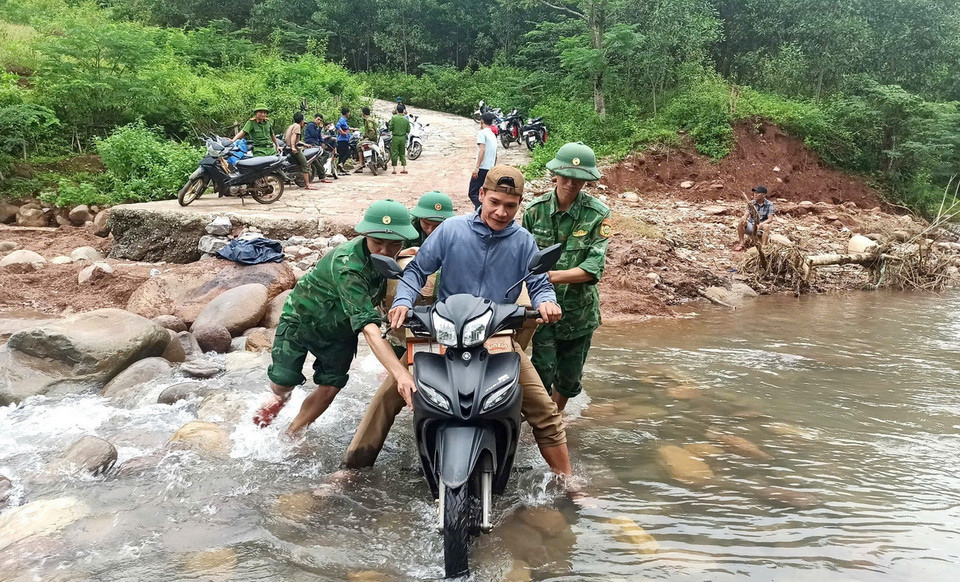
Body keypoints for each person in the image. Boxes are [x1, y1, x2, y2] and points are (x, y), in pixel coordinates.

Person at [342, 166, 573, 476]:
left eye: (510, 205)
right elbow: (417, 271)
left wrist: (547, 301)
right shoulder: (451, 229)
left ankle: (568, 482)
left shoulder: (523, 241)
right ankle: (351, 469)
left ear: (519, 204)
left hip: (496, 335)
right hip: (442, 333)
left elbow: (539, 283)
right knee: (389, 395)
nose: (501, 212)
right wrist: (402, 301)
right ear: (482, 195)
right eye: (494, 202)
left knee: (544, 410)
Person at [258, 200, 419, 437]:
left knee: (330, 387)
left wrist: (407, 253)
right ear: (365, 235)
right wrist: (400, 373)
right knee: (284, 380)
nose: (385, 251)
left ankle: (291, 435)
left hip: (341, 329)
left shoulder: (393, 250)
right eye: (377, 242)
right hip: (303, 318)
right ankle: (281, 397)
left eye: (394, 244)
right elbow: (369, 329)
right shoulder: (348, 267)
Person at [522, 142, 611, 412]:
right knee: (541, 369)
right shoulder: (534, 211)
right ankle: (542, 418)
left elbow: (593, 267)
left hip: (579, 313)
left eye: (579, 179)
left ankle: (556, 415)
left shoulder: (597, 215)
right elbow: (521, 259)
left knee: (570, 376)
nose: (571, 184)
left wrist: (549, 277)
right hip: (543, 310)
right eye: (566, 176)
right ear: (555, 174)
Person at [468, 112, 497, 210]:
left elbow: (482, 150)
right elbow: (495, 154)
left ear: (481, 121)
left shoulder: (482, 133)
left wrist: (476, 168)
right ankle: (480, 211)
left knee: (473, 193)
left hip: (482, 168)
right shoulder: (493, 135)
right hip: (490, 168)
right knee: (484, 192)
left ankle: (482, 210)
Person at [734, 185, 775, 251]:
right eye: (754, 193)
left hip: (761, 227)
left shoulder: (769, 204)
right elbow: (746, 213)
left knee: (767, 226)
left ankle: (763, 247)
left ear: (764, 195)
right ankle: (741, 243)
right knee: (741, 222)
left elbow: (770, 219)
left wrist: (761, 224)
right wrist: (744, 218)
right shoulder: (751, 203)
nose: (755, 194)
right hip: (751, 225)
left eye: (757, 193)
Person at [284, 112, 315, 190]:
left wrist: (305, 144)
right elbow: (293, 137)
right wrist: (293, 147)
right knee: (305, 164)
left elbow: (297, 140)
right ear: (301, 121)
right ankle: (307, 185)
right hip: (294, 148)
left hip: (288, 147)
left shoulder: (292, 125)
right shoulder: (297, 126)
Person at [355, 106, 380, 174]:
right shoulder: (371, 119)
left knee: (358, 146)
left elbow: (371, 130)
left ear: (363, 113)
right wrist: (364, 137)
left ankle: (361, 163)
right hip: (372, 138)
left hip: (371, 139)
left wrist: (369, 138)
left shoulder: (368, 120)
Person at [387, 104, 410, 174]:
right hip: (403, 138)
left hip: (395, 137)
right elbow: (408, 130)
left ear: (397, 110)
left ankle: (394, 169)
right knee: (402, 153)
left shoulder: (394, 118)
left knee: (394, 152)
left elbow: (390, 128)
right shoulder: (406, 119)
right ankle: (404, 168)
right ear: (403, 111)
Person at [335, 106, 355, 175]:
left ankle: (340, 167)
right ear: (346, 113)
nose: (349, 114)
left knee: (343, 153)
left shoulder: (344, 120)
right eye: (349, 113)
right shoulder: (342, 119)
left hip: (345, 139)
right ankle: (340, 165)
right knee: (346, 152)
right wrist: (342, 132)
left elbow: (347, 128)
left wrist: (354, 129)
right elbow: (337, 125)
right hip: (342, 140)